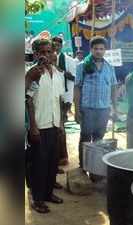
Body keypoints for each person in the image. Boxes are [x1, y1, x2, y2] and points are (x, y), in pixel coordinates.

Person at [26, 39, 65, 213]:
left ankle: (48, 193)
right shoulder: (33, 73)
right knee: (38, 165)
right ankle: (37, 199)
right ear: (35, 54)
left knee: (51, 162)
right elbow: (27, 100)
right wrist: (33, 126)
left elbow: (59, 100)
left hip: (54, 123)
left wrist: (61, 124)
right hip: (39, 125)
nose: (46, 55)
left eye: (49, 51)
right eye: (42, 52)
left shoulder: (57, 73)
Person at [74, 36, 118, 168]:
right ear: (91, 49)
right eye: (96, 48)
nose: (98, 51)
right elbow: (77, 88)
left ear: (105, 50)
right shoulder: (82, 66)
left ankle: (95, 167)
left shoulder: (110, 67)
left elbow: (113, 87)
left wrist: (114, 108)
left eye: (101, 49)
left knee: (99, 139)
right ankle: (83, 165)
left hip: (104, 109)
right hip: (87, 109)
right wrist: (76, 110)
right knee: (86, 138)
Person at [52, 36, 77, 169]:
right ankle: (55, 158)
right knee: (52, 129)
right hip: (51, 98)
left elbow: (75, 78)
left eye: (58, 45)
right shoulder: (48, 59)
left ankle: (62, 157)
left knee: (60, 128)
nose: (56, 47)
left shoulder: (69, 60)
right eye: (53, 45)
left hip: (64, 99)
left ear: (61, 46)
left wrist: (64, 73)